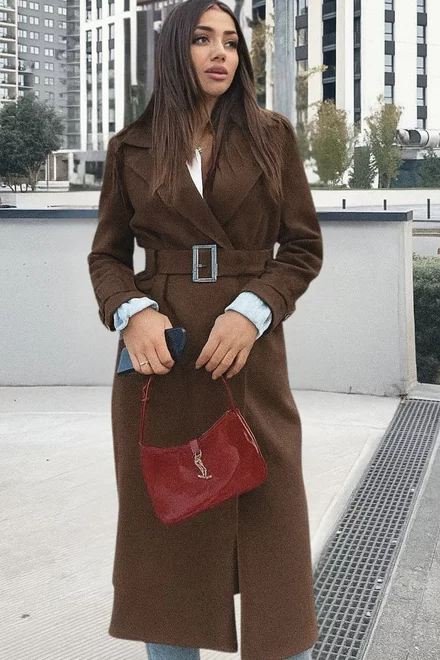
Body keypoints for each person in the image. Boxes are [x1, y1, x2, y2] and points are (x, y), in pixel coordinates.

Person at [87, 1, 324, 659]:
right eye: (201, 39)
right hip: (162, 363)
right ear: (174, 51)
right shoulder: (130, 147)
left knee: (275, 538)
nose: (221, 53)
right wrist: (131, 312)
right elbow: (107, 256)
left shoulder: (272, 135)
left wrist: (254, 310)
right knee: (168, 545)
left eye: (230, 42)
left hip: (248, 358)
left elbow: (302, 248)